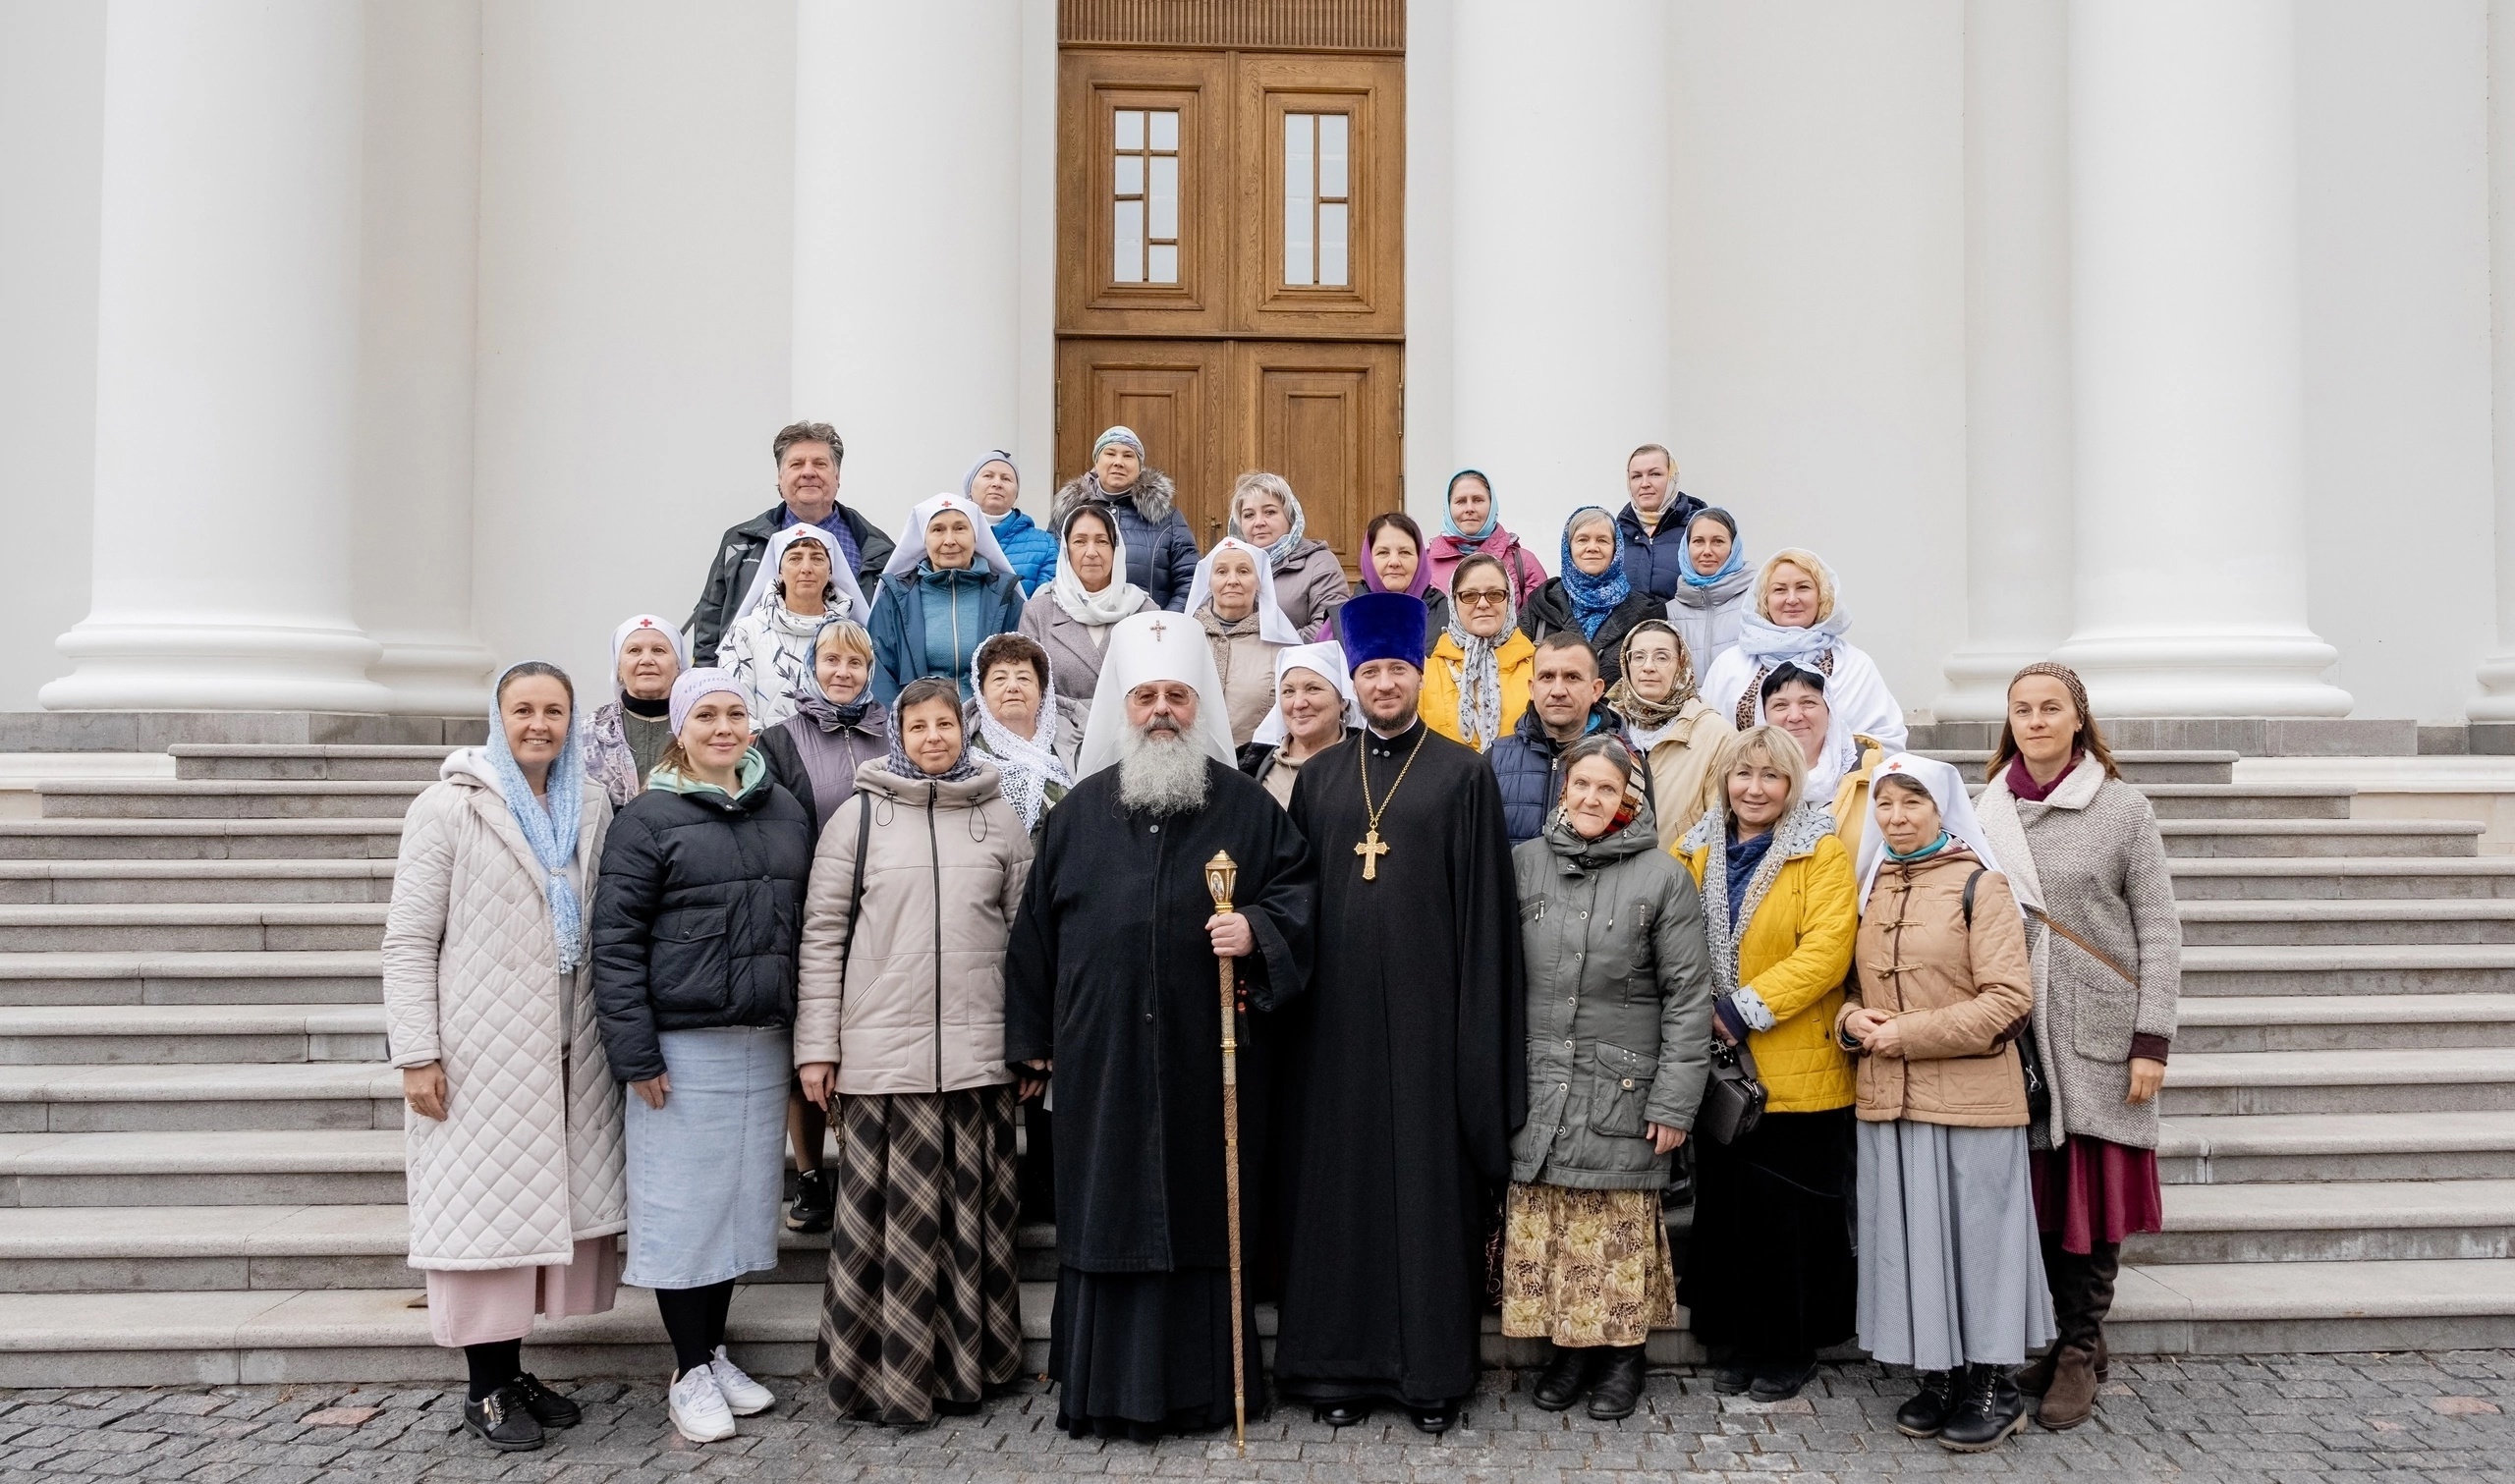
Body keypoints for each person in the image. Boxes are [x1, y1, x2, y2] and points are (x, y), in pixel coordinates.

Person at [1004, 611, 1317, 1440]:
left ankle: (1205, 1391)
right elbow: (1035, 932)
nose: (1161, 711)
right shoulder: (1074, 817)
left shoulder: (1248, 809)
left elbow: (1299, 897)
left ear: (1200, 703)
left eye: (1177, 694)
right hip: (1100, 1059)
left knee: (1201, 1210)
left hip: (1203, 1057)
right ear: (1122, 706)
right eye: (1144, 696)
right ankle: (1100, 1391)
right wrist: (1031, 1040)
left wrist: (1256, 929)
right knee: (1105, 1212)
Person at [1274, 591, 1523, 1436]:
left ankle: (1430, 1377)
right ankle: (1333, 1369)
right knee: (1339, 1194)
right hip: (1334, 1028)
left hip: (1430, 1025)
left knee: (1426, 1195)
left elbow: (1486, 919)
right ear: (1353, 678)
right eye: (1370, 670)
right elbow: (1294, 901)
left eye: (1397, 670)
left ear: (1420, 676)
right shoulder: (1316, 779)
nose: (1384, 683)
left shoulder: (1464, 773)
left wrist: (1475, 1039)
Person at [384, 662, 619, 1454]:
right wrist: (417, 1051)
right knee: (483, 1212)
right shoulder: (447, 806)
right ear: (498, 716)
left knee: (531, 1207)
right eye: (523, 709)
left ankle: (514, 1370)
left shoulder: (590, 801)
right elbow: (410, 938)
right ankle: (484, 1387)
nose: (539, 724)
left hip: (565, 1042)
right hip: (479, 1044)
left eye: (554, 710)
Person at [793, 676, 1035, 1425]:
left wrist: (1029, 1045)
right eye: (919, 725)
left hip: (975, 1058)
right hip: (880, 1062)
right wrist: (816, 1046)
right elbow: (823, 935)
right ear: (898, 731)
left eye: (946, 724)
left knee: (971, 1227)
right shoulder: (857, 817)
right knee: (879, 1228)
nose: (934, 737)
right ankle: (876, 1375)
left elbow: (1029, 942)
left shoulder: (998, 817)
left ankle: (971, 1368)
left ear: (965, 730)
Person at [591, 669, 814, 1445]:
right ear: (680, 730)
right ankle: (687, 1368)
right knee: (684, 1211)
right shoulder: (647, 819)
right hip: (683, 1048)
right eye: (706, 715)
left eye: (735, 713)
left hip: (763, 1039)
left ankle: (713, 1349)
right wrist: (635, 1050)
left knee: (737, 1208)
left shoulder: (783, 808)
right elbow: (614, 945)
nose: (724, 727)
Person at [1972, 662, 2179, 1433]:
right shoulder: (1984, 808)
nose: (2035, 720)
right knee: (2043, 1203)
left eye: (2050, 708)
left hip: (2097, 1027)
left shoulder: (2122, 808)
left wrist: (2151, 1038)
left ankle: (2080, 1348)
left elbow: (2159, 927)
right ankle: (2064, 1338)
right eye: (2021, 708)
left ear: (2078, 718)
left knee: (2091, 1204)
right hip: (2018, 1035)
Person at [1841, 754, 2052, 1452]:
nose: (1897, 817)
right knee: (1912, 1239)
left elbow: (2008, 1000)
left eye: (1912, 803)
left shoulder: (1980, 884)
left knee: (1979, 1240)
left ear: (1942, 809)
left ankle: (1994, 1381)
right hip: (1889, 1097)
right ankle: (1938, 1372)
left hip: (1970, 1097)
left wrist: (1907, 1033)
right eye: (1885, 805)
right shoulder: (1870, 885)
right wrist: (1850, 1022)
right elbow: (1851, 988)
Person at [1503, 736, 1713, 1422]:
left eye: (1607, 787)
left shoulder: (1663, 876)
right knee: (1556, 1225)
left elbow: (1688, 997)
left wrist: (1676, 1100)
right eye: (1580, 784)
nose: (1591, 798)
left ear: (1631, 796)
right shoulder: (1525, 864)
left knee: (1614, 1232)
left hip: (1621, 1086)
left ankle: (1623, 1356)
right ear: (1563, 789)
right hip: (1542, 1080)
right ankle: (1569, 1350)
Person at [1674, 726, 1859, 1402]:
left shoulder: (1822, 853)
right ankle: (1743, 1337)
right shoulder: (1692, 848)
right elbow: (1671, 935)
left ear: (1792, 784)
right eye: (1743, 774)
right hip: (1718, 1065)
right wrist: (1699, 1009)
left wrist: (1742, 1006)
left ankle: (1791, 1346)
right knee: (1732, 1212)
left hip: (1793, 1062)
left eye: (1771, 776)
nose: (1754, 788)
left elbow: (1826, 951)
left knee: (1791, 1216)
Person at [755, 615, 886, 1238]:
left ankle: (865, 1169)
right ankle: (810, 1175)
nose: (842, 673)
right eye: (831, 661)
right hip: (806, 904)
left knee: (864, 1043)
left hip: (882, 909)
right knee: (806, 1042)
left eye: (854, 663)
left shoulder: (893, 732)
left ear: (869, 671)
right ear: (813, 666)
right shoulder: (778, 740)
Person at [688, 421, 895, 664]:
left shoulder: (878, 549)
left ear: (837, 476)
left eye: (819, 463)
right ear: (780, 475)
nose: (808, 472)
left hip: (846, 685)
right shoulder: (741, 542)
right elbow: (709, 624)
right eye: (796, 464)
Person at [1701, 548, 1905, 755]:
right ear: (1764, 599)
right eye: (1780, 590)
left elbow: (1886, 742)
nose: (1791, 599)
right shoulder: (1729, 664)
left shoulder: (1856, 666)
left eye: (1803, 587)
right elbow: (1704, 738)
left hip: (1838, 786)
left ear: (1822, 596)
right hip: (1751, 786)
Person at [866, 493, 1026, 704]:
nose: (949, 540)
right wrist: (902, 726)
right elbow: (879, 672)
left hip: (990, 727)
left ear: (976, 535)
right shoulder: (895, 599)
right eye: (938, 530)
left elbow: (1025, 668)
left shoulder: (1004, 597)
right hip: (920, 727)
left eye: (960, 528)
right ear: (923, 539)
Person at [718, 524, 870, 729]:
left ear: (830, 571)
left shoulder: (852, 635)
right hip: (765, 755)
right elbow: (734, 709)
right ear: (780, 570)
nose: (806, 568)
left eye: (817, 558)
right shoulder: (744, 632)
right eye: (795, 558)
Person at [1608, 619, 1733, 852]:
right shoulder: (1606, 725)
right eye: (1638, 657)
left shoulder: (1716, 734)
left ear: (1681, 666)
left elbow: (1723, 825)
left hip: (1682, 874)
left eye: (1662, 657)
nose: (1648, 667)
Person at [1488, 632, 1621, 848]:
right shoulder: (1495, 759)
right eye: (1547, 677)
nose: (1558, 691)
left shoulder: (1627, 762)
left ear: (1595, 689)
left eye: (1572, 677)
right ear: (1532, 688)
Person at [1020, 502, 1156, 706]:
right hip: (1062, 732)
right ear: (1066, 550)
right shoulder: (1039, 612)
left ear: (1116, 549)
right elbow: (1028, 686)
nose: (1091, 552)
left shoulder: (1145, 610)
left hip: (1129, 731)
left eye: (1102, 541)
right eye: (1080, 541)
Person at [1051, 425, 1199, 612]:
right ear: (1096, 462)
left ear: (1140, 466)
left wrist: (1163, 624)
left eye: (1128, 455)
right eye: (1110, 453)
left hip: (1149, 632)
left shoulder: (1167, 518)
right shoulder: (1069, 513)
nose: (1118, 462)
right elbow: (1053, 574)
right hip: (1080, 631)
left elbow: (1189, 580)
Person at [1760, 661, 1890, 861]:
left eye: (1808, 703)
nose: (1795, 716)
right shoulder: (1747, 780)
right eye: (1780, 705)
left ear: (1829, 710)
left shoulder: (1870, 774)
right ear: (1763, 715)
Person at [1519, 508, 1661, 689]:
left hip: (1619, 717)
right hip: (1551, 714)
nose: (1592, 547)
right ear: (1568, 547)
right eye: (1582, 539)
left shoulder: (1644, 611)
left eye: (1602, 540)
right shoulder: (1541, 605)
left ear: (1616, 549)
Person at [1186, 536, 1302, 747]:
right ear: (1208, 582)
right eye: (1221, 572)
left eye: (1243, 571)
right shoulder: (1183, 637)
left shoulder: (1284, 645)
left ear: (1259, 582)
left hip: (1255, 765)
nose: (1232, 580)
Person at [965, 632, 1081, 837]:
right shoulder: (963, 755)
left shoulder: (1078, 743)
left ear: (1042, 691)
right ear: (981, 692)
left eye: (1024, 678)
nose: (1012, 687)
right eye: (1000, 678)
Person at [1420, 553, 1535, 752]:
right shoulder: (1427, 672)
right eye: (1469, 595)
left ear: (1510, 599)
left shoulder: (1538, 669)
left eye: (1495, 594)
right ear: (1453, 602)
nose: (1482, 604)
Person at [1239, 640, 1362, 807]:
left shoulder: (1367, 762)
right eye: (1288, 691)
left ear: (1343, 701)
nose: (1298, 703)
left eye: (1313, 689)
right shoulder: (1251, 763)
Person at [1229, 470, 1348, 633]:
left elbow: (1329, 629)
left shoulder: (1319, 563)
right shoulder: (1227, 565)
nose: (1258, 522)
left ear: (1290, 517)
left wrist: (1263, 649)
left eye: (1269, 512)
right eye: (1249, 515)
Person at [587, 615, 685, 808]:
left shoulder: (698, 727)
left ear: (678, 666)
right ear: (619, 668)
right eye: (634, 650)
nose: (647, 660)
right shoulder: (587, 732)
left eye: (658, 650)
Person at [1314, 512, 1450, 646]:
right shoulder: (1341, 619)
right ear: (1368, 559)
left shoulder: (1448, 615)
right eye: (1383, 552)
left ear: (1420, 558)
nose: (1394, 562)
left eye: (1405, 552)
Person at [1425, 469, 1546, 610]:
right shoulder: (1426, 564)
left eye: (1478, 500)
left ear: (1492, 505)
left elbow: (1538, 623)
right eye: (1461, 501)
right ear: (1448, 508)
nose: (1469, 508)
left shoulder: (1524, 563)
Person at [1614, 443, 1707, 602]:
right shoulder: (1615, 535)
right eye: (1636, 476)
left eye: (1655, 474)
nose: (1645, 484)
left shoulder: (1699, 529)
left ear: (1673, 477)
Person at [1665, 507, 1753, 677]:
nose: (1707, 551)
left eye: (1718, 541)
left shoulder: (1756, 602)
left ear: (1733, 548)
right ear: (1686, 547)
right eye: (1698, 541)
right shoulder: (1669, 613)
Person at [967, 450, 1057, 596]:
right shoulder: (949, 537)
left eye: (1006, 479)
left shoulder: (1045, 544)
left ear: (1016, 494)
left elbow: (1043, 608)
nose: (997, 484)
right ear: (970, 488)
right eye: (988, 476)